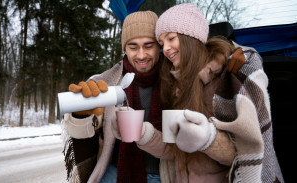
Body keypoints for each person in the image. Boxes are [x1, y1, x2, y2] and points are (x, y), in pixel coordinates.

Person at [112, 3, 284, 183]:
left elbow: (242, 154)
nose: (166, 48)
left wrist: (207, 137)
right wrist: (143, 133)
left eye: (171, 38)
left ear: (191, 37)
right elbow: (174, 152)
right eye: (162, 43)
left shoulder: (223, 79)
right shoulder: (176, 86)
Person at [61, 11, 164, 183]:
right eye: (133, 47)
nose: (141, 55)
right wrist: (81, 115)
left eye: (148, 46)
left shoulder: (174, 80)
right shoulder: (106, 81)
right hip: (115, 172)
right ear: (124, 48)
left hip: (163, 174)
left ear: (159, 46)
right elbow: (80, 134)